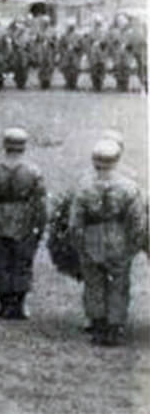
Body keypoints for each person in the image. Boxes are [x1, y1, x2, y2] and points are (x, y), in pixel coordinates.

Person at [67, 140, 147, 346]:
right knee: (118, 284)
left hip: (91, 238)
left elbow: (75, 221)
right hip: (119, 238)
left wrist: (79, 243)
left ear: (94, 161)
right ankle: (115, 326)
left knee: (94, 283)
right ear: (117, 160)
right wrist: (133, 245)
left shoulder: (84, 187)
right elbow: (138, 221)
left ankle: (98, 324)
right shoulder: (129, 187)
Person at [0, 128, 46, 320]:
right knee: (22, 261)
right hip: (24, 218)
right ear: (24, 146)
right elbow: (40, 202)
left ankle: (4, 304)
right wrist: (38, 224)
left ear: (5, 145)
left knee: (1, 261)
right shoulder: (33, 171)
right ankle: (19, 305)